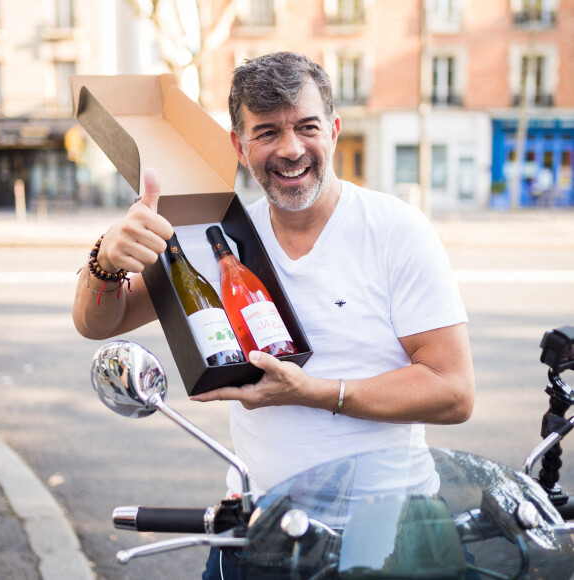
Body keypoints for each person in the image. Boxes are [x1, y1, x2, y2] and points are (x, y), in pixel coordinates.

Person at [73, 52, 475, 579]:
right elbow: (98, 322)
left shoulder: (396, 230)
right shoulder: (215, 238)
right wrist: (104, 260)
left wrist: (311, 390)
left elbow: (453, 391)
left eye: (306, 127)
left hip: (388, 533)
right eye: (266, 133)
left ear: (332, 130)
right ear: (239, 147)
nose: (290, 149)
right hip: (261, 530)